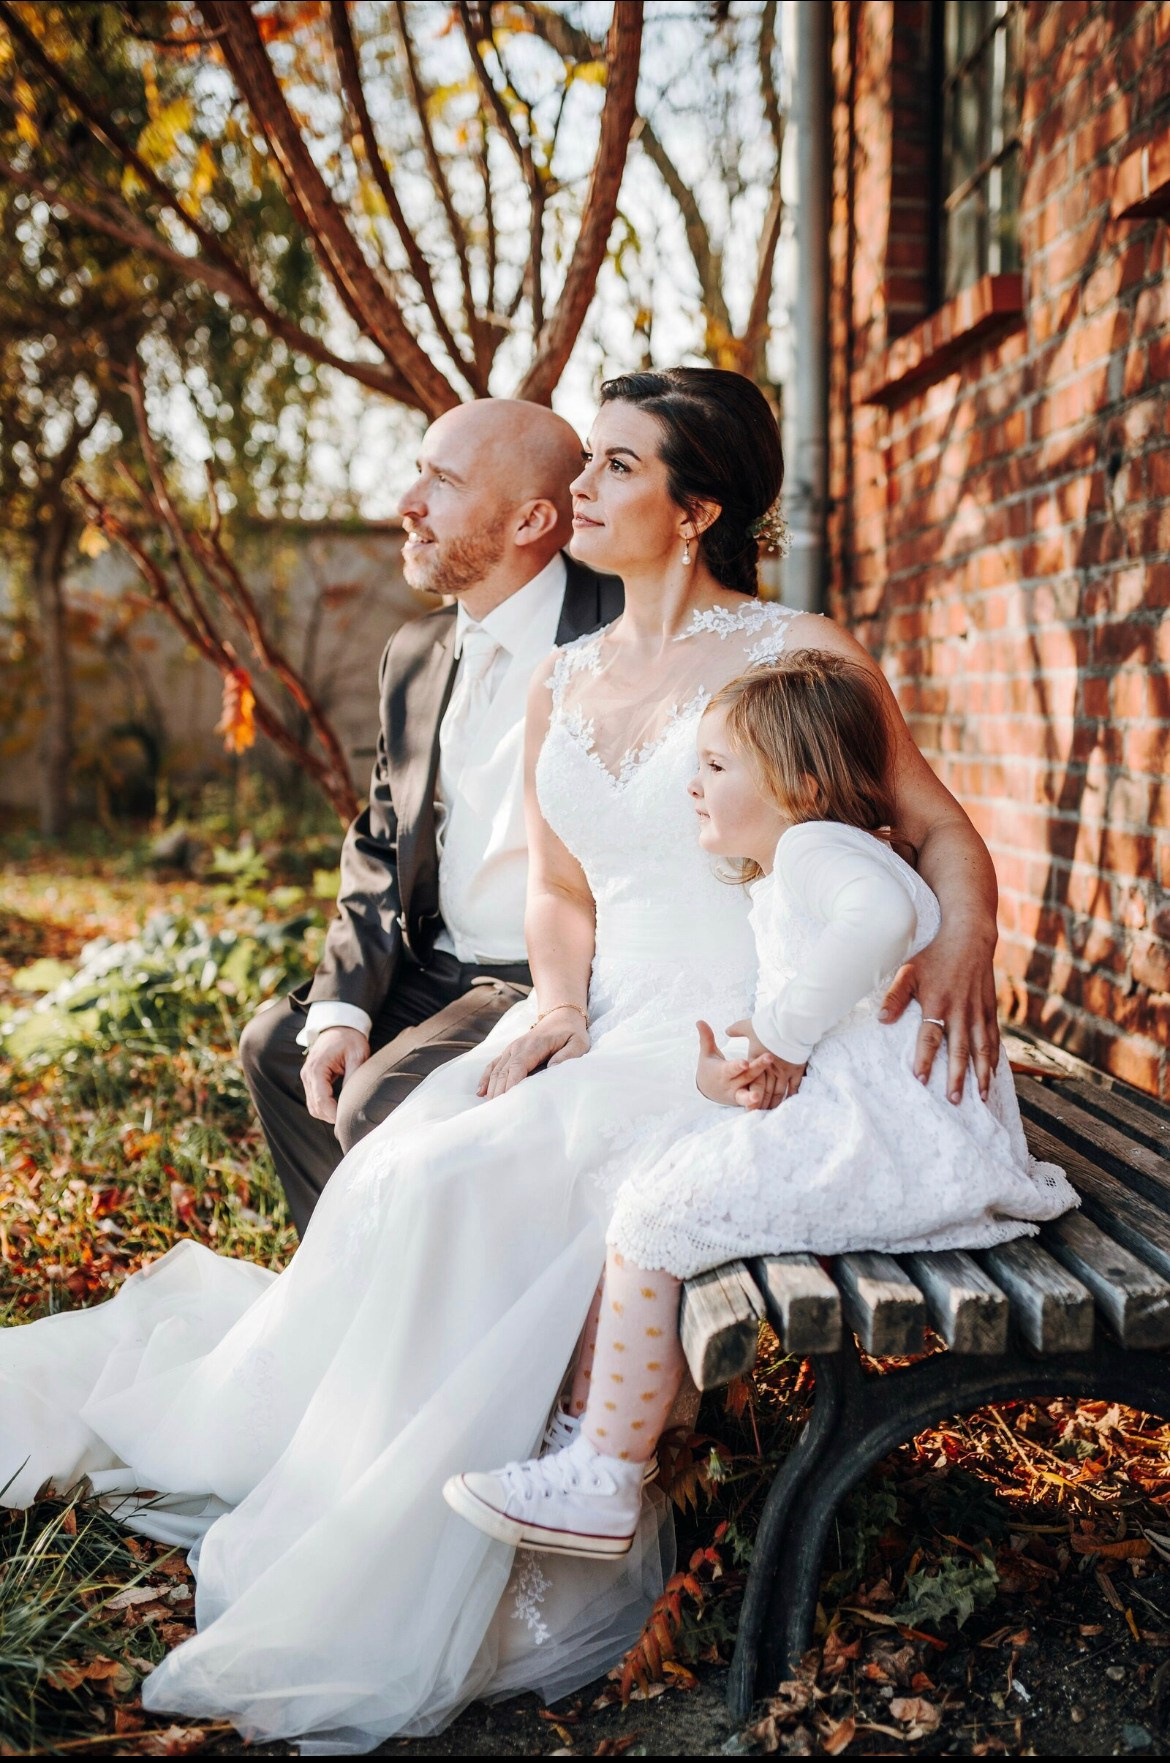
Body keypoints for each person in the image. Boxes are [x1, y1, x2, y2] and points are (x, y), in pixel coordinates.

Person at [0, 369, 1010, 1750]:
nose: (581, 492)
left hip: (747, 1031)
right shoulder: (563, 677)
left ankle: (558, 1497)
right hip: (614, 1013)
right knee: (405, 1163)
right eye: (581, 467)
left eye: (611, 470)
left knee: (458, 1178)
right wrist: (548, 1000)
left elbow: (937, 829)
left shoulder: (790, 651)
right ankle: (379, 1472)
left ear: (694, 506)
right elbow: (562, 893)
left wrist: (968, 943)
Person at [444, 654, 1077, 1560]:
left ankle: (602, 1474)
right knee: (663, 1176)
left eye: (715, 765)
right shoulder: (811, 856)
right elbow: (835, 1007)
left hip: (902, 1137)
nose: (692, 784)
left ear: (803, 781)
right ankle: (602, 1453)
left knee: (654, 1212)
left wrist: (778, 1033)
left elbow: (877, 928)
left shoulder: (821, 849)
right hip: (902, 1122)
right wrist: (744, 1062)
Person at [240, 397, 623, 1232]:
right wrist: (343, 1008)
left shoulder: (625, 633)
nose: (407, 503)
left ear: (531, 518)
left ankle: (426, 1315)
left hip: (551, 974)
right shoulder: (413, 654)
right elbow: (380, 842)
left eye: (441, 481)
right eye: (418, 470)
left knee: (375, 1102)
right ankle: (343, 1289)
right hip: (435, 962)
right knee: (280, 1043)